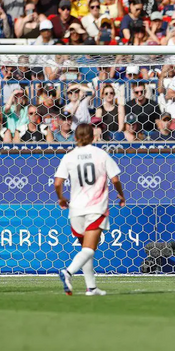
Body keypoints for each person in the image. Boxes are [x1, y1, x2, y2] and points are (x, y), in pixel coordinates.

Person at [54, 123, 126, 296]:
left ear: (75, 137)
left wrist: (61, 198)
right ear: (93, 136)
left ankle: (91, 287)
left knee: (85, 249)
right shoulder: (101, 154)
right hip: (95, 207)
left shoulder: (69, 157)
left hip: (76, 209)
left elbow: (58, 182)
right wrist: (121, 195)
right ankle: (68, 272)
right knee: (90, 249)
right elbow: (115, 179)